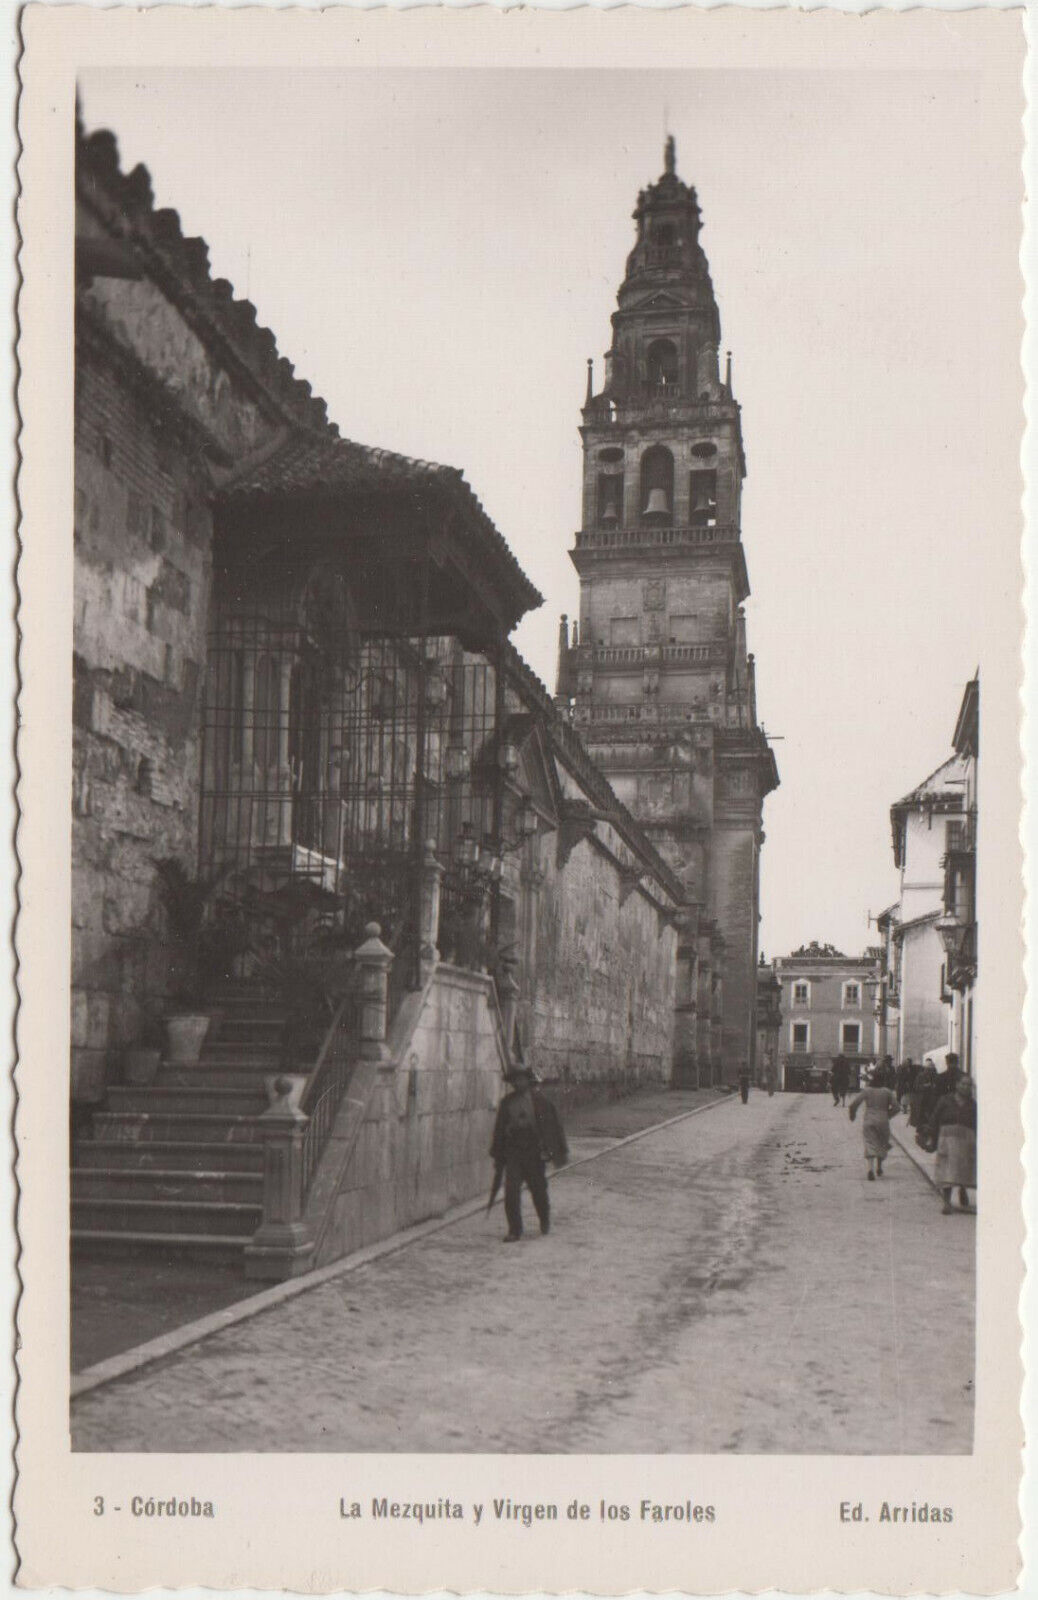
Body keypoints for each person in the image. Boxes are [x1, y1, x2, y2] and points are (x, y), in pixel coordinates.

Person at [489, 1067, 568, 1244]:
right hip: (514, 1152)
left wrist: (550, 1151)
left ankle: (544, 1218)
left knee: (538, 1190)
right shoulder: (507, 1103)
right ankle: (514, 1230)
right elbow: (499, 1130)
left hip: (533, 1152)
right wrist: (498, 1155)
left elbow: (552, 1128)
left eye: (521, 1079)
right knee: (511, 1192)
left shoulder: (541, 1102)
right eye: (515, 1080)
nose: (518, 1083)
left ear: (528, 1081)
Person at [927, 1074, 977, 1214]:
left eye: (969, 1085)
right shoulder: (945, 1100)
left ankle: (962, 1188)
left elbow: (977, 1124)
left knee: (964, 1169)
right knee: (946, 1171)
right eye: (963, 1084)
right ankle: (947, 1202)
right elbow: (934, 1118)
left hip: (966, 1140)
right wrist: (931, 1137)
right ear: (957, 1085)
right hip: (947, 1139)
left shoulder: (973, 1105)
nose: (966, 1087)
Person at [848, 1063, 901, 1181]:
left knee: (870, 1143)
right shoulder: (887, 1091)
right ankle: (879, 1166)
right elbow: (897, 1107)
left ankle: (870, 1169)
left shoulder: (867, 1091)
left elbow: (854, 1104)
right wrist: (888, 1115)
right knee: (882, 1143)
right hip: (883, 1120)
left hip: (869, 1119)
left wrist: (852, 1115)